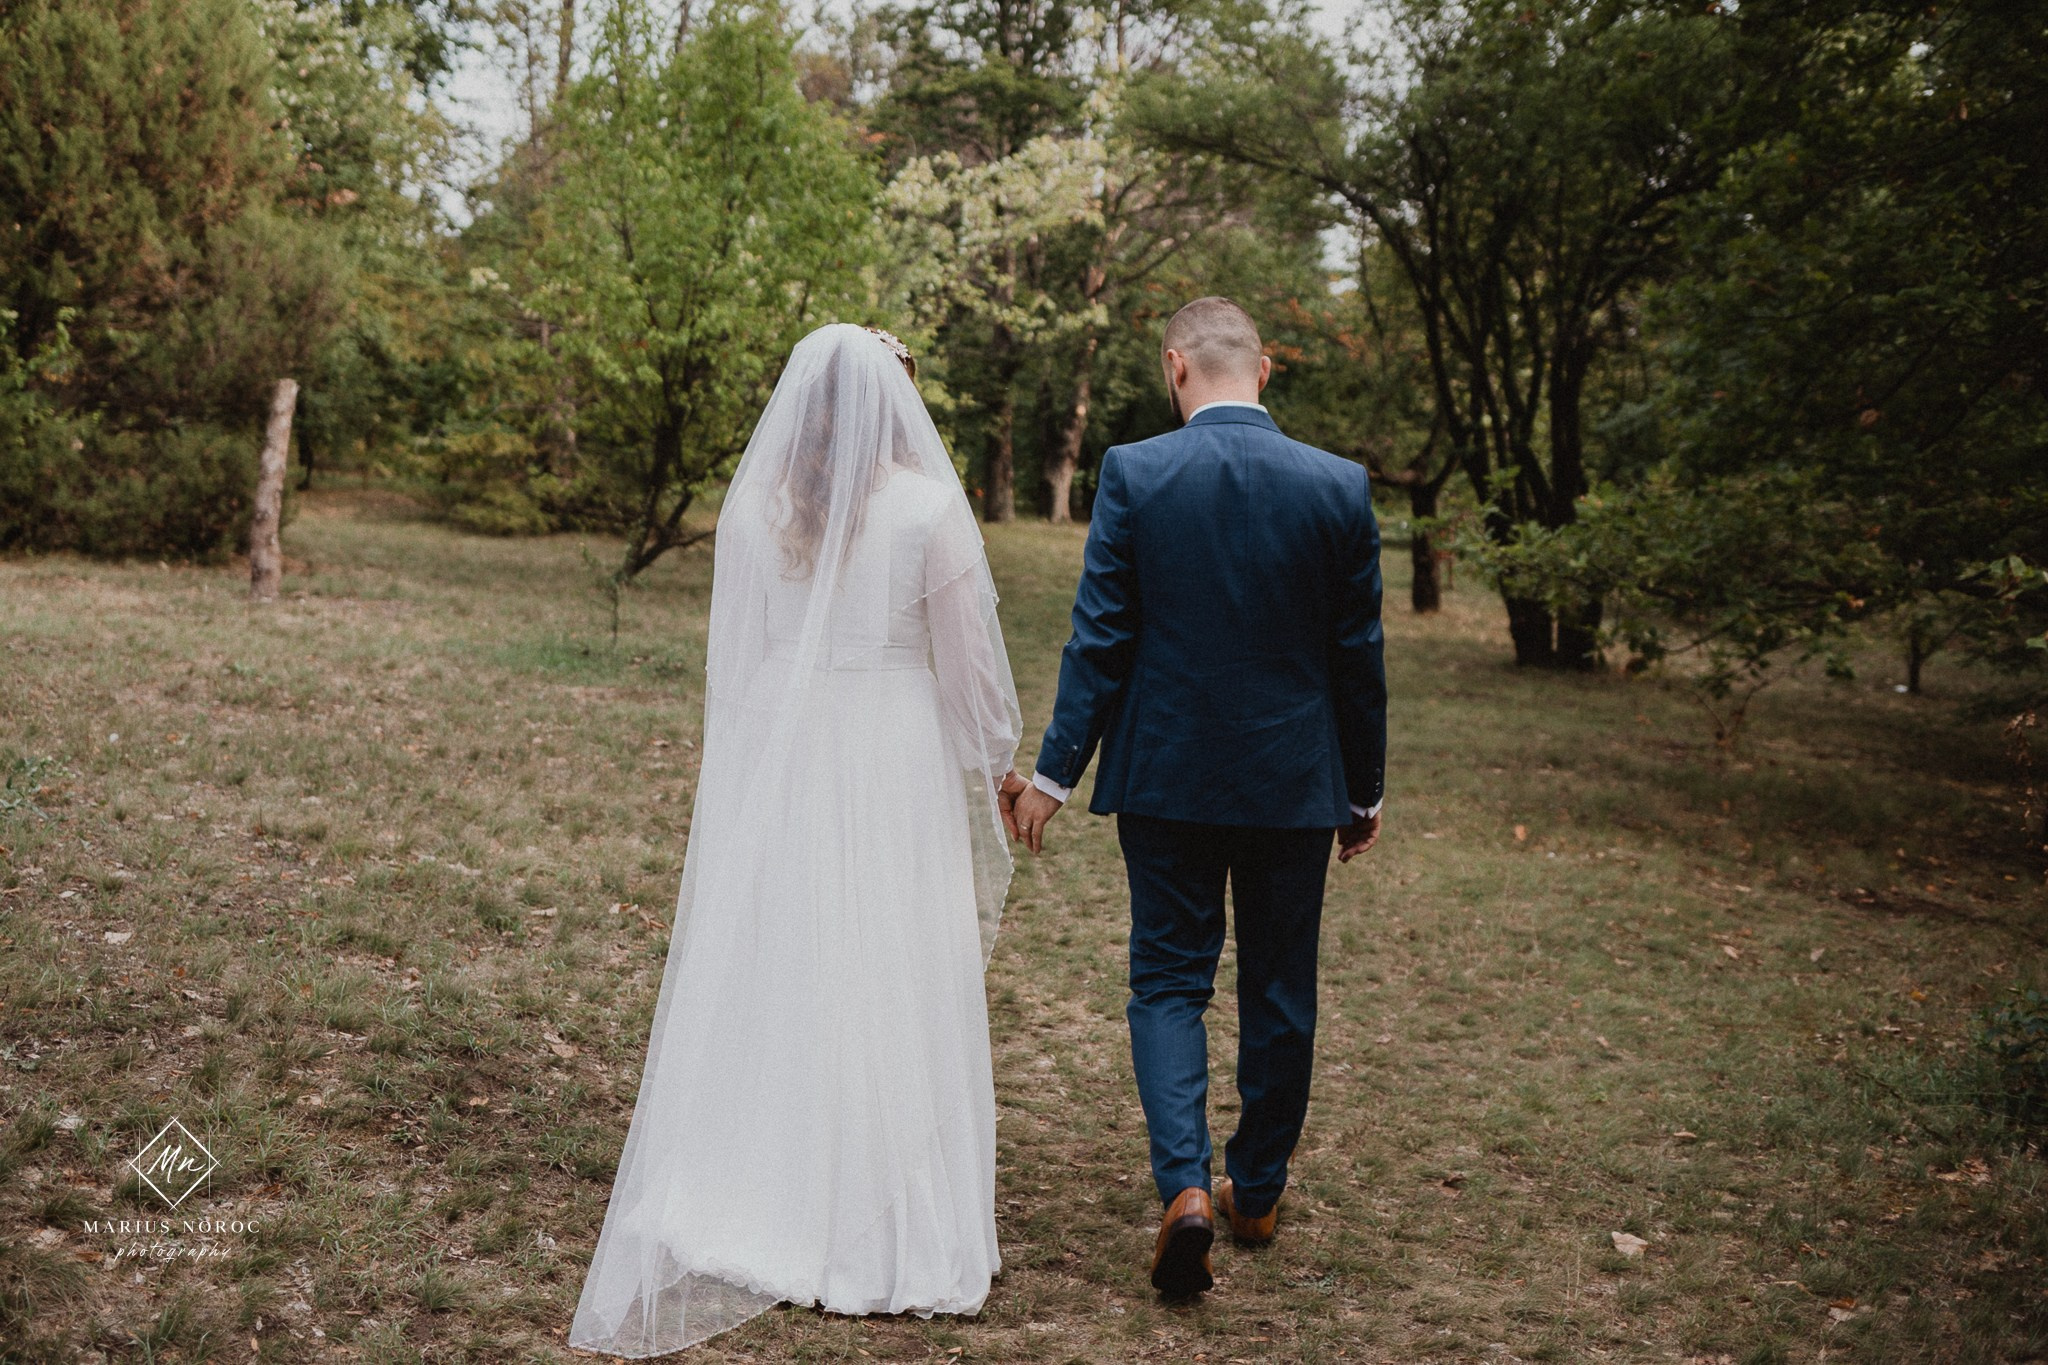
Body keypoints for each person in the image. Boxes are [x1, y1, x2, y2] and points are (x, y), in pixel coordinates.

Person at [569, 323, 1028, 1356]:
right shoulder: (930, 509)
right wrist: (997, 762)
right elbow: (971, 675)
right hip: (889, 751)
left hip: (784, 744)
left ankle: (758, 1183)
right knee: (887, 959)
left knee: (787, 958)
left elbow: (738, 660)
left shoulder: (760, 507)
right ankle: (878, 1219)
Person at [1001, 296, 1388, 1298]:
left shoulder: (1135, 472)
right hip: (1293, 783)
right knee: (1280, 986)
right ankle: (1253, 1193)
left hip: (1166, 777)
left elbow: (1100, 636)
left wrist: (1054, 775)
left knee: (1170, 981)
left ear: (1175, 367)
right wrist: (1363, 790)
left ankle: (1183, 1187)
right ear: (1264, 371)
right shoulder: (1338, 485)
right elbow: (1357, 657)